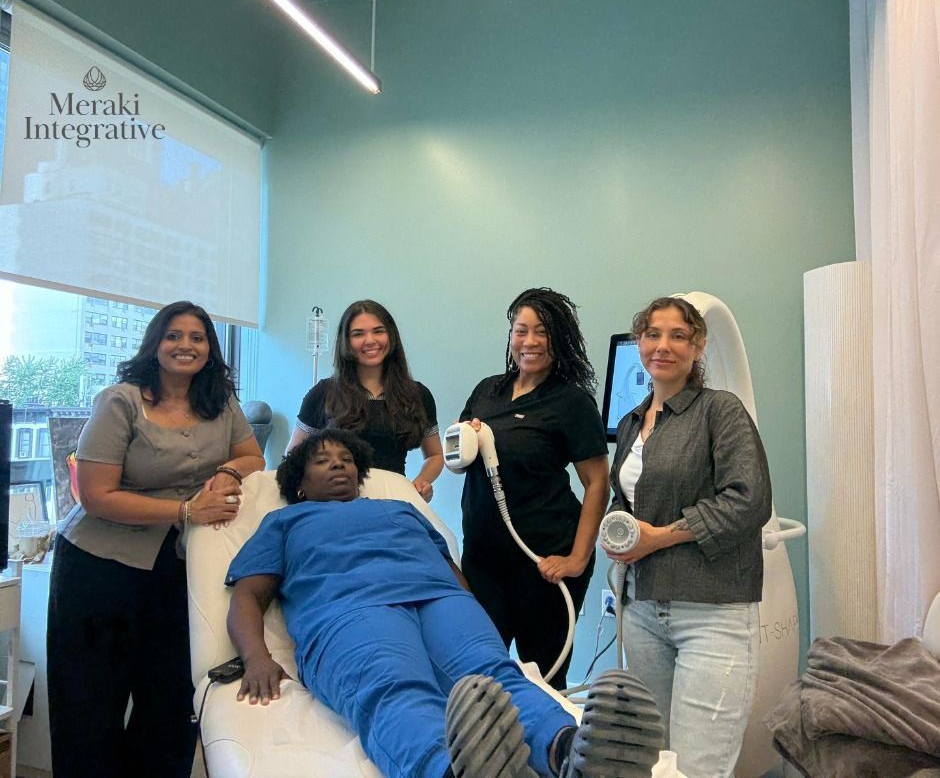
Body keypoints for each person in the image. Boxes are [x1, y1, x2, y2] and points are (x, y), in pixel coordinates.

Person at [226, 429, 662, 778]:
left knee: (493, 678)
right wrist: (256, 657)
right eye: (322, 460)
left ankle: (569, 751)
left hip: (442, 601)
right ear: (299, 484)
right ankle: (450, 768)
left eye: (345, 458)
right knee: (395, 688)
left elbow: (449, 567)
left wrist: (466, 609)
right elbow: (248, 593)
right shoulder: (284, 521)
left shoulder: (400, 509)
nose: (338, 464)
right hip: (350, 611)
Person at [47, 301, 265, 778]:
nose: (186, 345)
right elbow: (96, 495)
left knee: (170, 704)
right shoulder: (121, 401)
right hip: (98, 568)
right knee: (89, 707)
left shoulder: (220, 402)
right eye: (174, 335)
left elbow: (254, 457)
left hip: (179, 567)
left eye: (197, 337)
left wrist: (229, 471)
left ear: (210, 349)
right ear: (155, 344)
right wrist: (186, 510)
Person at [605, 296, 772, 778]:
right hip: (643, 611)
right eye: (653, 334)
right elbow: (625, 499)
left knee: (697, 768)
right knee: (655, 761)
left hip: (711, 612)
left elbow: (748, 500)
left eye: (678, 336)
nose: (663, 346)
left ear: (698, 347)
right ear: (639, 343)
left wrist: (658, 538)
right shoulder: (631, 423)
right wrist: (618, 530)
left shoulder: (720, 411)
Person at [457, 287, 609, 690]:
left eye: (542, 331)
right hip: (482, 561)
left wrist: (577, 558)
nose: (530, 341)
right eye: (521, 330)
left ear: (559, 339)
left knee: (542, 681)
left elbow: (597, 482)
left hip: (543, 562)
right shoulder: (487, 391)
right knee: (480, 675)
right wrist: (467, 437)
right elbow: (459, 458)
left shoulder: (571, 403)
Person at [286, 299, 443, 501]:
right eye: (358, 334)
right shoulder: (323, 393)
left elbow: (435, 455)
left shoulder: (418, 395)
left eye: (378, 331)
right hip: (335, 503)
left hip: (393, 501)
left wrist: (422, 482)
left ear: (391, 335)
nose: (370, 340)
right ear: (346, 342)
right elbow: (292, 459)